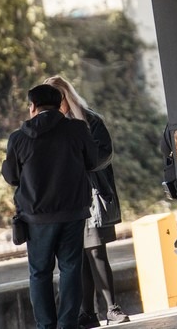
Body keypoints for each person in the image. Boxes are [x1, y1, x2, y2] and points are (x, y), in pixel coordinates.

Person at [2, 83, 100, 329]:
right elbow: (94, 161)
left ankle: (46, 325)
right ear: (59, 105)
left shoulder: (18, 138)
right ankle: (68, 324)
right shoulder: (78, 129)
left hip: (36, 218)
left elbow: (12, 177)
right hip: (73, 212)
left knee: (40, 273)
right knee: (70, 269)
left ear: (32, 107)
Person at [46, 75, 131, 327]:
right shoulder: (53, 125)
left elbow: (104, 154)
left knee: (96, 251)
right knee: (79, 255)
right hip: (69, 199)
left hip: (92, 195)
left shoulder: (89, 119)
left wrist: (75, 163)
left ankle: (112, 308)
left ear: (64, 97)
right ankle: (88, 313)